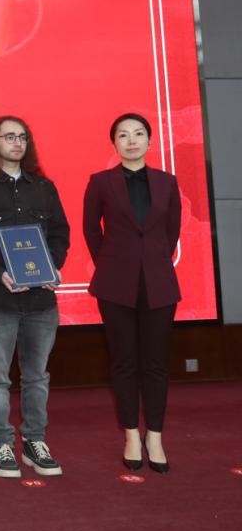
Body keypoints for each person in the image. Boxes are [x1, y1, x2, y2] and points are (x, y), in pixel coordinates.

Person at [0, 116, 69, 479]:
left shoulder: (44, 188)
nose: (17, 143)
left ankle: (35, 442)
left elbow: (60, 234)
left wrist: (53, 266)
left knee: (37, 376)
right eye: (9, 137)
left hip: (41, 301)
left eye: (22, 137)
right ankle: (2, 445)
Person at [83, 113, 181, 473]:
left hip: (159, 281)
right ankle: (131, 436)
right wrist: (113, 263)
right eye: (123, 135)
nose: (132, 140)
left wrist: (151, 259)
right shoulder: (100, 182)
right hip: (115, 283)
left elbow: (171, 232)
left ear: (150, 141)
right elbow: (91, 231)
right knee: (123, 361)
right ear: (114, 143)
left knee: (155, 363)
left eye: (139, 134)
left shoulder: (167, 182)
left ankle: (154, 436)